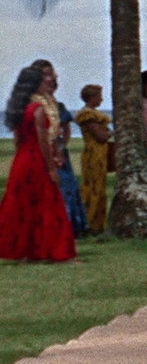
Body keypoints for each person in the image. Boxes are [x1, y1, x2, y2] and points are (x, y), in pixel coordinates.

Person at [0, 66, 77, 261]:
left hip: (22, 159)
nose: (47, 83)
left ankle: (25, 250)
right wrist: (51, 168)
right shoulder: (38, 109)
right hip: (37, 159)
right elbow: (43, 141)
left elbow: (18, 139)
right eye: (43, 81)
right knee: (47, 203)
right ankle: (51, 249)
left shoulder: (20, 108)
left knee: (24, 204)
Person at [29, 60, 88, 236]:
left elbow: (66, 128)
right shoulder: (33, 105)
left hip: (58, 150)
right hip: (42, 151)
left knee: (68, 186)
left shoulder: (58, 106)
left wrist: (61, 147)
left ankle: (72, 224)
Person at [74, 84, 112, 234]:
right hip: (94, 152)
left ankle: (97, 222)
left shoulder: (93, 113)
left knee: (99, 186)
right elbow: (101, 136)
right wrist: (110, 133)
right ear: (92, 97)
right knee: (93, 187)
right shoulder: (88, 115)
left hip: (100, 152)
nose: (101, 99)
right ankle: (90, 222)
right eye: (99, 96)